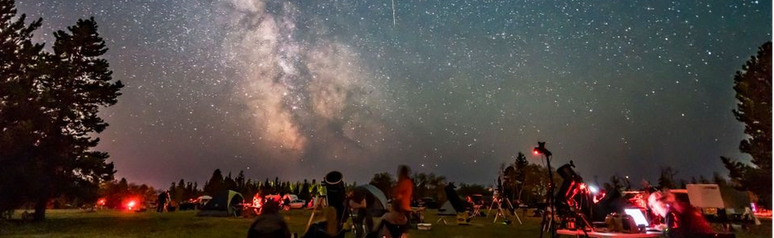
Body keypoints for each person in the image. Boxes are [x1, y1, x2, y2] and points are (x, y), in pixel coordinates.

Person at [648, 191, 715, 238]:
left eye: (652, 205)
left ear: (658, 203)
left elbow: (675, 234)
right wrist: (667, 228)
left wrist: (665, 230)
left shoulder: (672, 213)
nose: (653, 210)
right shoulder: (681, 207)